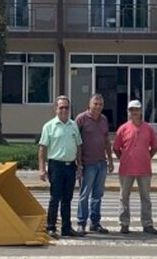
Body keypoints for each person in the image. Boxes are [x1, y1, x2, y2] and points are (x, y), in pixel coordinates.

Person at [37, 95, 82, 238]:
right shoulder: (49, 126)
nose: (64, 110)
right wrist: (42, 168)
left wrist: (79, 165)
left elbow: (79, 146)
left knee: (67, 198)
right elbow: (42, 148)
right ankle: (51, 227)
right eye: (61, 107)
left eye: (66, 107)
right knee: (55, 197)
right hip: (56, 166)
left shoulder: (73, 125)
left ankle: (66, 227)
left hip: (70, 167)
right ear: (56, 109)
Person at [113, 99, 157, 235]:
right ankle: (124, 223)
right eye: (132, 110)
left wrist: (147, 157)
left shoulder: (148, 128)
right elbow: (116, 147)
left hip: (144, 168)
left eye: (137, 109)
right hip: (126, 168)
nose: (134, 112)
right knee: (124, 197)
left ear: (141, 111)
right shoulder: (123, 128)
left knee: (145, 197)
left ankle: (147, 224)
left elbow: (155, 147)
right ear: (128, 112)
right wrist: (122, 158)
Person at [75, 93, 113, 235]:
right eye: (95, 104)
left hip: (101, 163)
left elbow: (107, 141)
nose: (98, 107)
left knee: (98, 194)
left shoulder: (103, 119)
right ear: (89, 104)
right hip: (87, 163)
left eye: (100, 104)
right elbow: (76, 142)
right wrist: (78, 163)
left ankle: (95, 223)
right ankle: (81, 223)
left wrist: (109, 160)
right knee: (84, 194)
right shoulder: (81, 119)